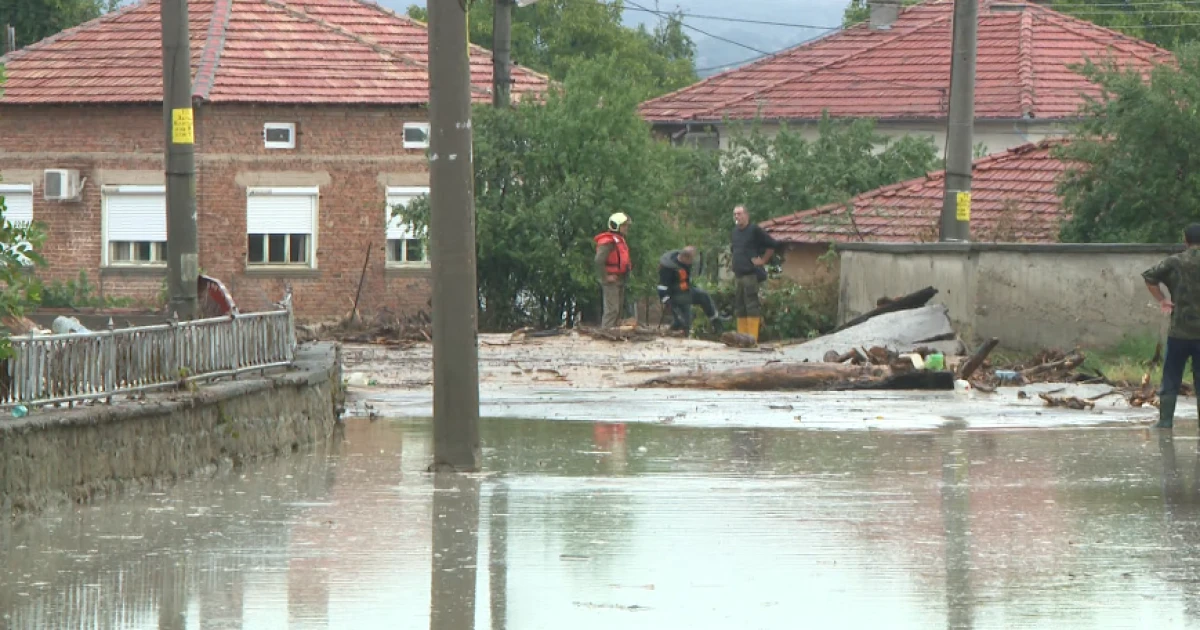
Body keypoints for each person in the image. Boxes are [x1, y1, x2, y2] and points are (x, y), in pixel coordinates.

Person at [1143, 223, 1200, 429]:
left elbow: (1149, 277)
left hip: (1179, 332)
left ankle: (1166, 421)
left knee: (1172, 375)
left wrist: (1163, 300)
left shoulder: (1175, 261)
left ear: (1185, 240)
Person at [731, 204, 779, 342]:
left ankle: (752, 338)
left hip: (750, 275)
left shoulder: (754, 230)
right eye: (735, 214)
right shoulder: (734, 232)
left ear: (746, 215)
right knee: (739, 307)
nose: (737, 217)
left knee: (751, 306)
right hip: (738, 275)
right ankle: (741, 338)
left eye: (739, 214)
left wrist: (763, 260)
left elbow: (772, 244)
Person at [657, 246, 725, 334]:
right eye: (691, 259)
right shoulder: (668, 268)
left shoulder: (686, 265)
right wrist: (667, 302)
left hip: (687, 291)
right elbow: (662, 287)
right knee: (684, 322)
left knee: (703, 296)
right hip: (674, 296)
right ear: (685, 257)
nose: (692, 262)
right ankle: (677, 328)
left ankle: (716, 323)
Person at [594, 213, 632, 328]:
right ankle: (606, 333)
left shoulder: (619, 240)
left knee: (618, 310)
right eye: (624, 225)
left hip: (619, 279)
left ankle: (614, 333)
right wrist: (606, 277)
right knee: (612, 310)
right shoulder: (608, 242)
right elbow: (598, 260)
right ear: (616, 226)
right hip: (611, 279)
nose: (626, 228)